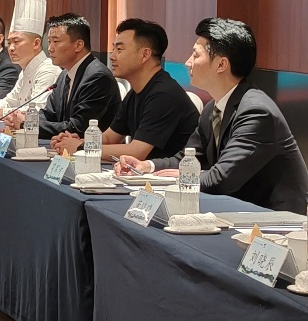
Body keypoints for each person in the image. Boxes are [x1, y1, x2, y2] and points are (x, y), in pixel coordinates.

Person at [119, 18, 308, 213]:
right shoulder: (212, 109)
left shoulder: (256, 112)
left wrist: (181, 177)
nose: (187, 63)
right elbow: (188, 159)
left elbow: (222, 179)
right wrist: (147, 166)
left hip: (274, 218)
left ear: (221, 64)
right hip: (238, 208)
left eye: (195, 55)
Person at [52, 18, 197, 161]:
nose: (112, 56)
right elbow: (109, 138)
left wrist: (80, 148)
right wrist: (77, 141)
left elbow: (136, 152)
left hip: (174, 173)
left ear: (145, 55)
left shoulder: (163, 95)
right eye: (114, 49)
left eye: (119, 49)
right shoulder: (135, 92)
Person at [16, 13, 119, 139]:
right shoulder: (64, 74)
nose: (50, 48)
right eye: (49, 42)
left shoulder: (97, 77)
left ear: (78, 45)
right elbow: (49, 114)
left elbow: (78, 128)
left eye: (56, 41)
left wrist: (27, 124)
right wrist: (26, 119)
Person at [0, 0, 59, 116]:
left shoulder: (48, 70)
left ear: (36, 43)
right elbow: (9, 102)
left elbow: (36, 111)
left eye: (16, 42)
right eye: (9, 42)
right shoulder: (24, 70)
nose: (10, 48)